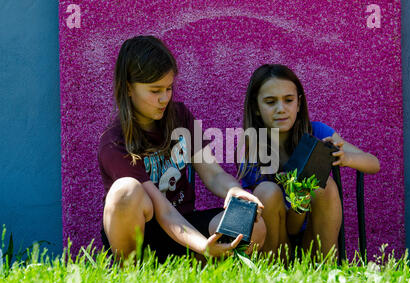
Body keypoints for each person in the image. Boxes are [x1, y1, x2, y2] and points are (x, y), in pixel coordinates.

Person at [98, 35, 266, 263]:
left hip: (184, 227)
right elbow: (164, 212)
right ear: (128, 88)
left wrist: (233, 190)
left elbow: (214, 174)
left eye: (168, 88)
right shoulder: (114, 141)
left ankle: (207, 274)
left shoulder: (180, 117)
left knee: (249, 224)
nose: (164, 98)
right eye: (155, 90)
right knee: (125, 190)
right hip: (144, 235)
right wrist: (203, 247)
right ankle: (131, 274)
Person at [237, 64, 380, 259]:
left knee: (324, 186)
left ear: (299, 103)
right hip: (276, 238)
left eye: (288, 100)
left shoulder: (317, 132)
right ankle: (273, 272)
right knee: (266, 191)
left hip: (313, 235)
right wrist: (300, 193)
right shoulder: (250, 148)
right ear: (256, 108)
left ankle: (325, 269)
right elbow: (289, 227)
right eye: (270, 102)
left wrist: (346, 158)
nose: (281, 109)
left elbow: (373, 163)